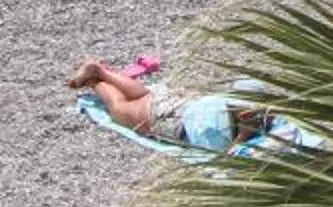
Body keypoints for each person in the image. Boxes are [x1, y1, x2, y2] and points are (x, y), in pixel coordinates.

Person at [66, 60, 275, 152]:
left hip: (182, 104)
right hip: (171, 118)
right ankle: (94, 79)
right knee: (118, 108)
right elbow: (230, 156)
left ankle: (101, 73)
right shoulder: (242, 130)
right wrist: (244, 135)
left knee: (145, 95)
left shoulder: (228, 109)